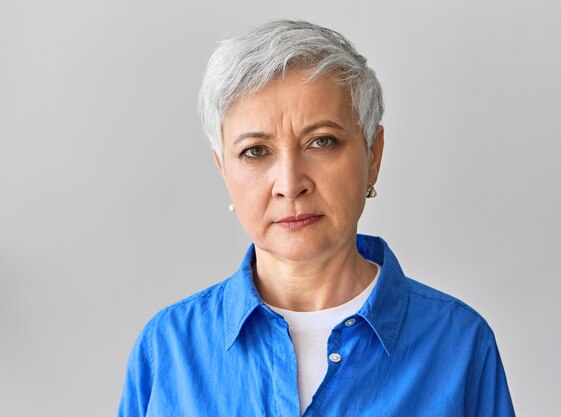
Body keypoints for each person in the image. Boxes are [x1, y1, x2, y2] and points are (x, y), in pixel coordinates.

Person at [118, 19, 516, 417]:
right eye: (256, 151)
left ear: (372, 155)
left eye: (321, 142)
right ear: (223, 169)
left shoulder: (459, 344)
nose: (290, 184)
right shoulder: (167, 348)